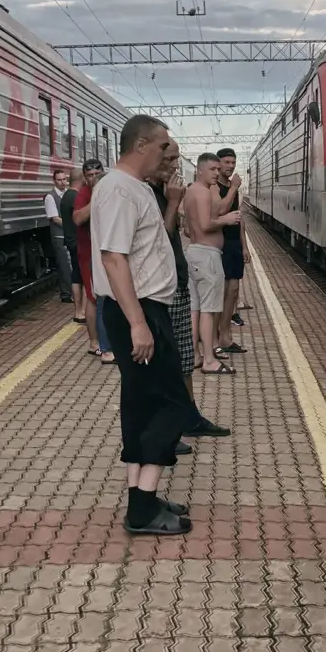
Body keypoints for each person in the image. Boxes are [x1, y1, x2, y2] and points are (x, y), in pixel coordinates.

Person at [91, 115, 193, 535]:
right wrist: (138, 323)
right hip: (139, 309)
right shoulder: (118, 190)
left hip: (142, 308)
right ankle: (143, 510)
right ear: (141, 145)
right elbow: (114, 258)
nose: (165, 154)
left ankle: (142, 499)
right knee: (170, 404)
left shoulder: (128, 189)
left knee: (140, 404)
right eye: (161, 146)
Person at [147, 142, 230, 450]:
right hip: (159, 289)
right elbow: (160, 239)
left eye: (174, 160)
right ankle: (166, 430)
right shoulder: (148, 194)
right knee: (166, 365)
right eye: (167, 159)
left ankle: (188, 417)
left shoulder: (164, 191)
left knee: (183, 361)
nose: (172, 166)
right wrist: (172, 204)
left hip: (176, 280)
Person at [185, 152, 242, 376]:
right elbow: (205, 224)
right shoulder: (200, 192)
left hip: (196, 254)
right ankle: (209, 359)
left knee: (195, 309)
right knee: (208, 310)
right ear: (199, 170)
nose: (217, 173)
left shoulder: (195, 191)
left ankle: (196, 355)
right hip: (207, 256)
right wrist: (225, 221)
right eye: (213, 169)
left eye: (218, 170)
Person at [73, 158, 112, 362]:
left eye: (97, 174)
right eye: (89, 175)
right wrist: (95, 198)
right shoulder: (84, 194)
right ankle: (94, 343)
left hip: (102, 252)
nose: (94, 178)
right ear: (84, 177)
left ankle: (103, 341)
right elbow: (78, 218)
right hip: (88, 253)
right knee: (93, 297)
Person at [216, 148, 249, 350]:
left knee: (233, 290)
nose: (230, 166)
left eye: (233, 162)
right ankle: (220, 335)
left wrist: (245, 246)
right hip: (220, 242)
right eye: (226, 162)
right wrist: (233, 188)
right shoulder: (215, 187)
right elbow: (220, 209)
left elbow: (239, 218)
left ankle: (225, 332)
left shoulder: (232, 187)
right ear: (218, 163)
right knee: (223, 290)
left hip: (234, 243)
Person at [44, 169, 74, 303]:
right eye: (59, 180)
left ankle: (70, 292)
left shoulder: (68, 194)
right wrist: (72, 224)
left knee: (71, 264)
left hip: (68, 235)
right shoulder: (50, 197)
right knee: (64, 265)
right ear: (54, 181)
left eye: (64, 179)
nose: (62, 182)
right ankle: (66, 294)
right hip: (59, 236)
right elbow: (55, 218)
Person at [59, 167, 85, 323]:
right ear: (81, 179)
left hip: (70, 240)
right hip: (78, 241)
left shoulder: (66, 196)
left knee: (76, 276)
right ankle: (80, 311)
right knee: (81, 277)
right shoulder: (75, 197)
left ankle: (78, 311)